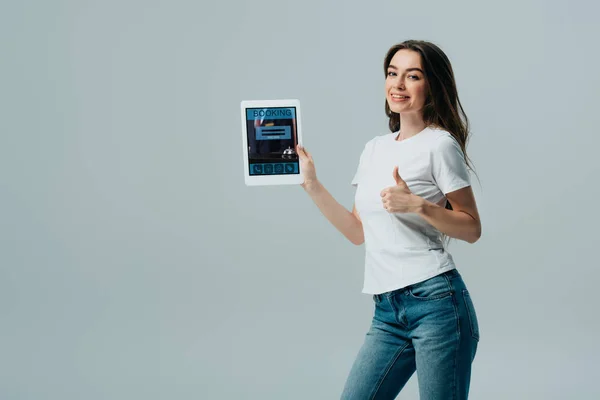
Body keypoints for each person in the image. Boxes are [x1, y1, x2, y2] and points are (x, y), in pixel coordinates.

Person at [296, 40, 482, 399]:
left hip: (437, 305)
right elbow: (357, 231)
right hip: (387, 311)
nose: (397, 84)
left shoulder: (440, 145)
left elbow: (472, 227)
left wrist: (418, 205)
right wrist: (313, 185)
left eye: (412, 75)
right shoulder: (374, 149)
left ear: (431, 85)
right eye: (392, 73)